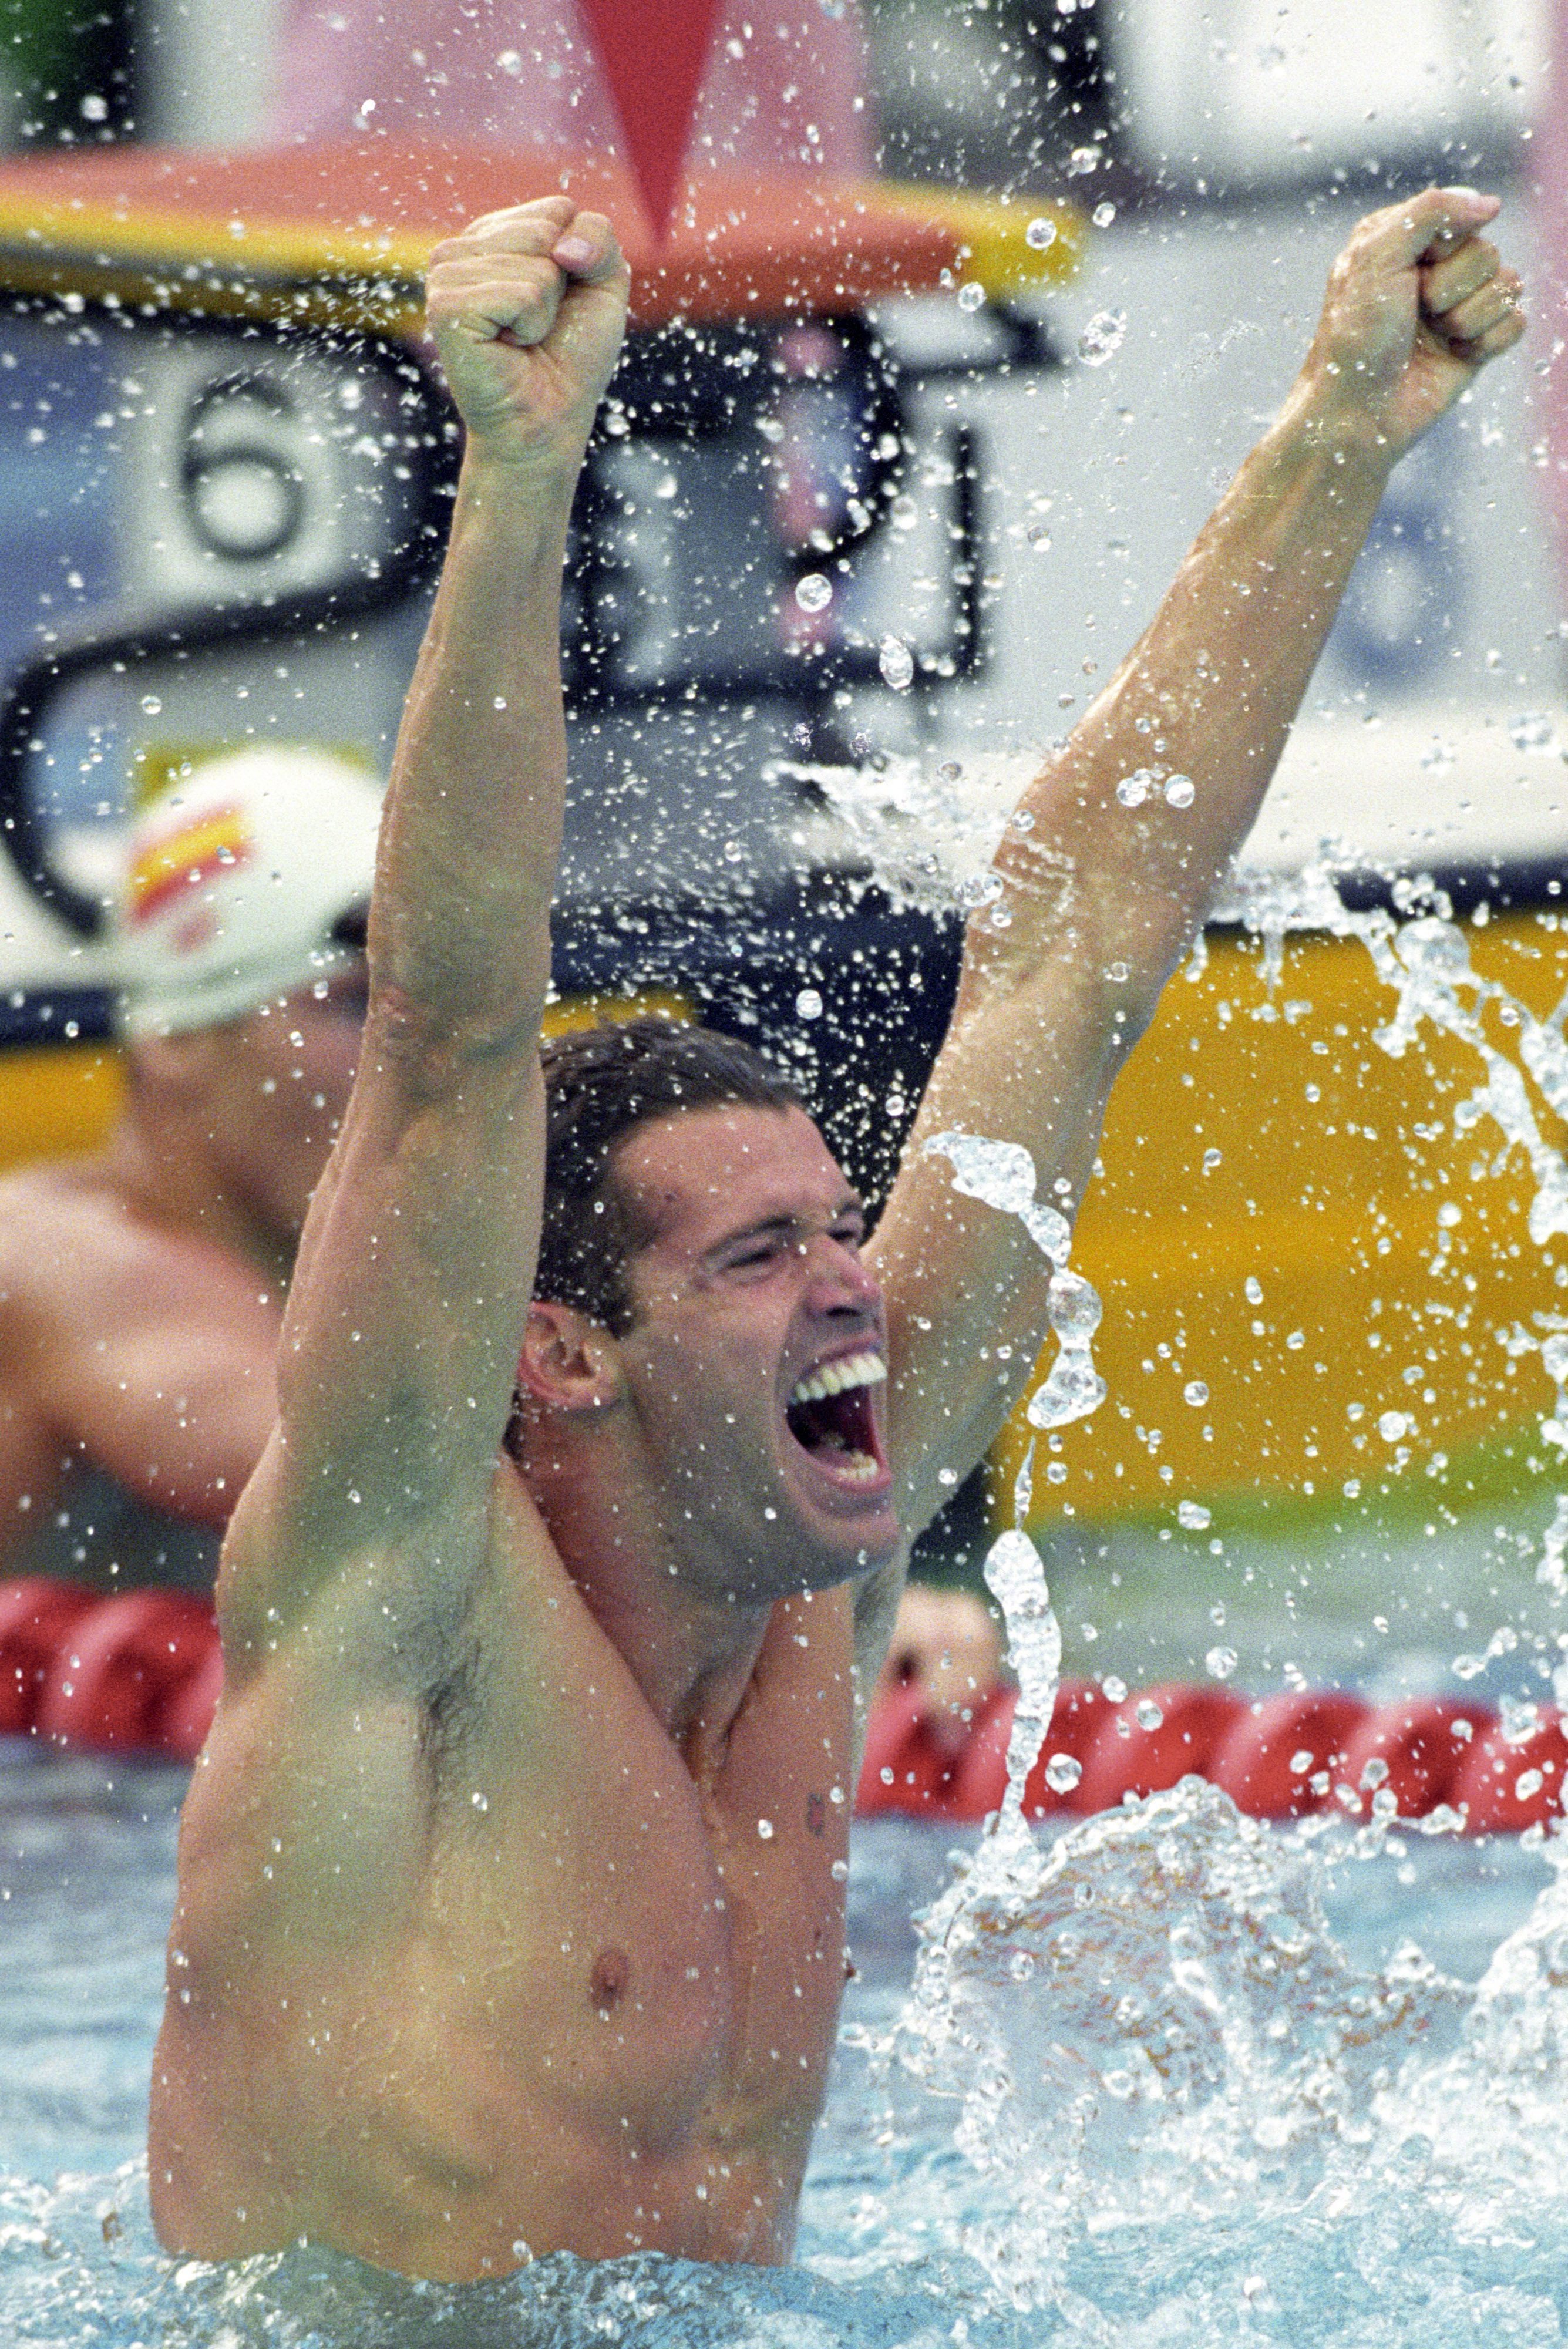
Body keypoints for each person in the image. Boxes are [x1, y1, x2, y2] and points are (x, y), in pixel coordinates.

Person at [149, 187, 1523, 2278]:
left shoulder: (827, 1562)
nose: (853, 1276)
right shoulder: (407, 1593)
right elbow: (448, 1037)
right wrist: (520, 486)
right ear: (562, 1352)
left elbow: (1080, 942)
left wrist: (1342, 428)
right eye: (758, 1256)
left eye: (832, 1225)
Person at [0, 748, 378, 1590]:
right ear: (177, 1038)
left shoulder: (360, 1284)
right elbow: (380, 1498)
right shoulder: (47, 1256)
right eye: (351, 1004)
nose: (413, 1061)